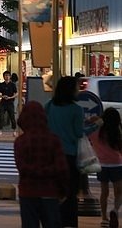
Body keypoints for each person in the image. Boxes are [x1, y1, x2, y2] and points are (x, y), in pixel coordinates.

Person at [14, 101, 69, 228]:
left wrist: (35, 171)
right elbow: (62, 168)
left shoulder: (20, 142)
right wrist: (63, 190)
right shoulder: (54, 140)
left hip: (28, 192)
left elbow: (22, 167)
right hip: (50, 191)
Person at [46, 76, 85, 228]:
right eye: (76, 88)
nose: (78, 91)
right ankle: (69, 223)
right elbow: (79, 133)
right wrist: (95, 125)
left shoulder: (49, 106)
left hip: (51, 156)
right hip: (69, 156)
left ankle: (53, 221)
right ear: (71, 90)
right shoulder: (76, 109)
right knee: (70, 193)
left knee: (53, 191)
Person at [89, 108, 122, 227]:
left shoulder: (97, 131)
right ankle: (115, 210)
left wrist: (93, 120)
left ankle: (104, 218)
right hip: (117, 164)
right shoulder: (117, 131)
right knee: (119, 192)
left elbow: (86, 132)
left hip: (102, 164)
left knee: (104, 192)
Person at [0, 70, 17, 137]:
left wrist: (10, 97)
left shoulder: (12, 85)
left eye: (8, 75)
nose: (7, 77)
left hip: (10, 102)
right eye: (5, 75)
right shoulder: (1, 85)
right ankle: (0, 131)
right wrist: (2, 96)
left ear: (10, 76)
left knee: (12, 117)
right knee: (1, 117)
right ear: (3, 77)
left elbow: (16, 93)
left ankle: (14, 131)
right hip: (3, 103)